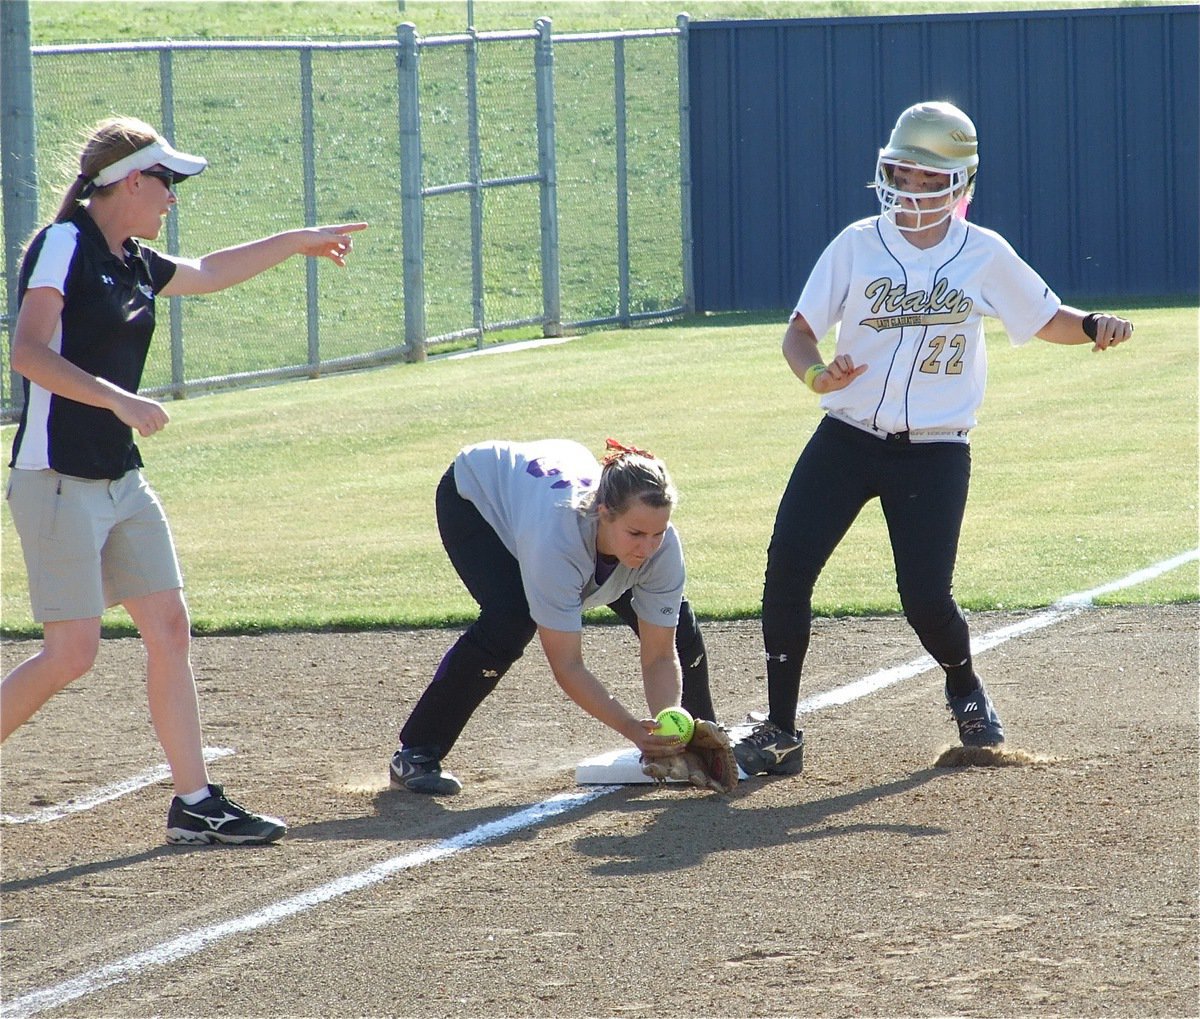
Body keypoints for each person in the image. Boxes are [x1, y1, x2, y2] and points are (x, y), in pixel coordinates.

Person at [734, 100, 1134, 778]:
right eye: (902, 173)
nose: (912, 190)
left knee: (924, 597)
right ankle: (780, 730)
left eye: (929, 178)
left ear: (961, 184)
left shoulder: (983, 254)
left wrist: (1093, 324)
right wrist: (816, 375)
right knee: (787, 568)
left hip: (937, 448)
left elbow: (1043, 317)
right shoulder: (858, 244)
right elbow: (798, 331)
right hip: (846, 434)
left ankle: (963, 683)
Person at [2, 116, 367, 844]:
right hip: (57, 478)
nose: (172, 197)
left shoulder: (131, 258)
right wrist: (119, 397)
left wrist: (297, 241)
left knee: (168, 627)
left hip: (118, 477)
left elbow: (209, 271)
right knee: (73, 652)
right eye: (165, 182)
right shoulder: (64, 244)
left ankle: (195, 802)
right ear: (129, 181)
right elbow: (28, 352)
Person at [390, 437, 720, 794]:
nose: (647, 547)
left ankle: (698, 742)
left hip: (552, 493)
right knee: (510, 620)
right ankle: (416, 752)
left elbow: (659, 654)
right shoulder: (557, 544)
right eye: (636, 533)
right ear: (605, 512)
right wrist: (632, 730)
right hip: (478, 498)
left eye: (657, 533)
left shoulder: (661, 549)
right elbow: (567, 665)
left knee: (678, 629)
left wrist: (667, 728)